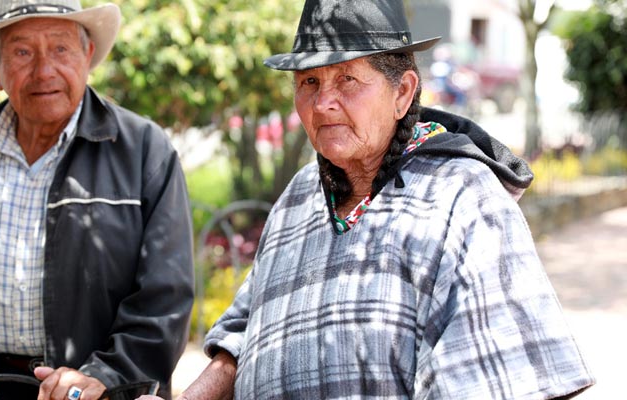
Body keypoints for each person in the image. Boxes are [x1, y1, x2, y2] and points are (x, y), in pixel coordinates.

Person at [143, 0, 595, 399]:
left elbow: (510, 382)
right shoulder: (299, 196)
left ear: (402, 93)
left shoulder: (464, 199)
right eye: (309, 83)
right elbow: (243, 335)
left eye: (348, 79)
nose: (323, 105)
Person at [0, 1, 194, 400]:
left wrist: (105, 377)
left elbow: (165, 296)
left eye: (60, 48)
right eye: (22, 52)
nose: (44, 70)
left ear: (87, 56)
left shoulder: (143, 151)